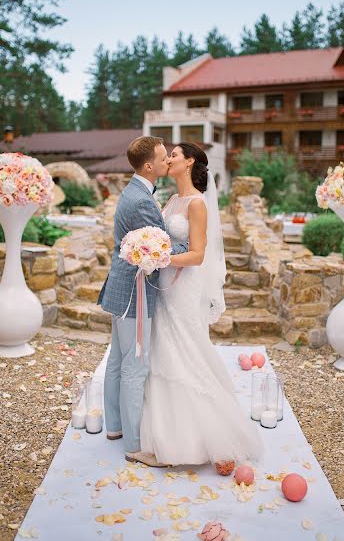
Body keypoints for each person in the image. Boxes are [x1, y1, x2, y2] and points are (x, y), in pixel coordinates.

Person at [140, 142, 263, 466]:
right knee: (163, 352)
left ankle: (200, 441)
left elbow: (197, 255)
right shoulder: (171, 199)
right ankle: (165, 440)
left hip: (184, 287)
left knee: (186, 350)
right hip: (165, 283)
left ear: (190, 161)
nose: (168, 159)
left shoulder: (196, 204)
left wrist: (160, 258)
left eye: (174, 155)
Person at [97, 136, 187, 467]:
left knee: (119, 360)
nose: (167, 161)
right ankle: (135, 447)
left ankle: (116, 428)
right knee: (135, 366)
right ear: (149, 165)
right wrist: (187, 246)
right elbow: (160, 249)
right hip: (133, 291)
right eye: (163, 158)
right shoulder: (142, 202)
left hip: (120, 287)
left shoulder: (134, 192)